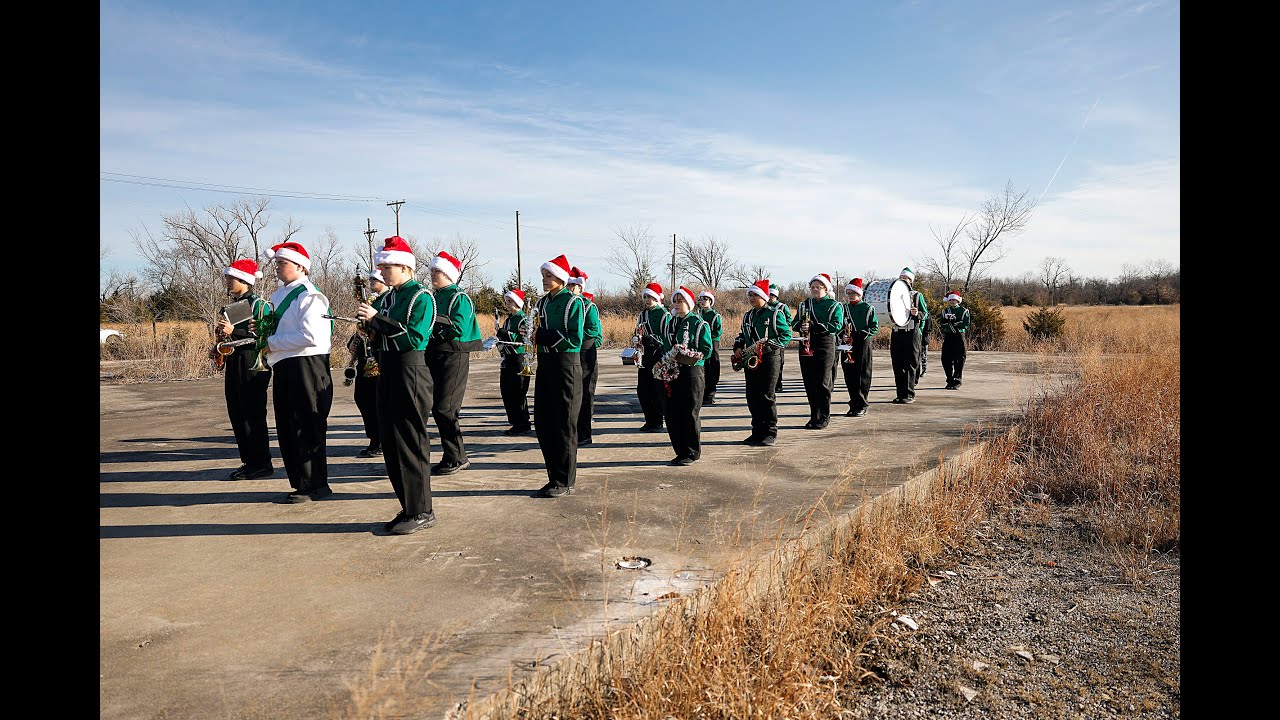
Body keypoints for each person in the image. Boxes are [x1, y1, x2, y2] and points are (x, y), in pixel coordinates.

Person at [356, 236, 437, 534]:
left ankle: (422, 510)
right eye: (380, 266)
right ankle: (407, 507)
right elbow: (383, 334)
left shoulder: (422, 297)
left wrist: (378, 320)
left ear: (404, 267)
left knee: (410, 442)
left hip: (410, 370)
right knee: (390, 441)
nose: (381, 272)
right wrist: (370, 325)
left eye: (387, 266)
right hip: (387, 368)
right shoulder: (388, 297)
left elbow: (415, 337)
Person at [258, 241, 334, 503]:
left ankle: (317, 485)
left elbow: (311, 336)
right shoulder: (279, 294)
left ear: (300, 266)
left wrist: (271, 343)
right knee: (288, 427)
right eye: (277, 263)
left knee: (307, 427)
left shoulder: (309, 295)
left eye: (283, 263)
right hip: (285, 365)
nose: (277, 268)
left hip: (306, 366)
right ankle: (301, 483)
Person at [425, 250, 483, 475]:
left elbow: (458, 326)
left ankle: (458, 457)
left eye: (437, 271)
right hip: (435, 354)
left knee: (446, 408)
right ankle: (451, 455)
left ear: (448, 273)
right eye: (431, 270)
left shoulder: (459, 297)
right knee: (438, 408)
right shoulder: (433, 295)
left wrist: (433, 324)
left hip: (454, 355)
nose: (432, 274)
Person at [532, 254, 586, 497]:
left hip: (566, 365)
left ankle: (565, 480)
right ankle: (553, 476)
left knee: (564, 424)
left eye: (549, 276)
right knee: (544, 423)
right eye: (543, 276)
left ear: (561, 278)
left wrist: (542, 336)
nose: (544, 280)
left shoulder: (574, 302)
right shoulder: (542, 303)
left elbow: (575, 338)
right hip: (545, 364)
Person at [216, 258, 274, 481]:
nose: (227, 281)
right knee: (238, 413)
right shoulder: (237, 305)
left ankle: (261, 463)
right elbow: (238, 336)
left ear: (243, 279)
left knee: (253, 415)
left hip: (253, 363)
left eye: (231, 277)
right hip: (236, 362)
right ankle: (249, 461)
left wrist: (233, 331)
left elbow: (263, 338)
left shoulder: (259, 304)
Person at [733, 280, 792, 446]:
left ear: (764, 296)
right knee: (752, 396)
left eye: (755, 295)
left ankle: (770, 432)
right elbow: (742, 334)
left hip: (769, 358)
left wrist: (766, 346)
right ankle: (757, 431)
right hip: (751, 359)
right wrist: (738, 346)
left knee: (766, 396)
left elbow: (786, 335)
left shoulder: (774, 314)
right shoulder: (747, 315)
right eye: (750, 295)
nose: (752, 298)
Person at [658, 286, 714, 465]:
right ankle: (680, 450)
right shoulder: (671, 323)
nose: (676, 304)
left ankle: (691, 452)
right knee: (672, 413)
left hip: (691, 372)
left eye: (680, 300)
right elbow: (666, 346)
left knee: (689, 412)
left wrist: (689, 355)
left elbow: (706, 350)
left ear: (688, 303)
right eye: (674, 301)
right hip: (672, 372)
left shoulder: (699, 324)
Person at [792, 273, 845, 429]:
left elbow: (837, 325)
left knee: (822, 382)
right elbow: (794, 323)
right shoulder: (804, 304)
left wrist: (815, 327)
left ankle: (823, 416)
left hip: (825, 344)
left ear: (826, 288)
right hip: (806, 343)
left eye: (818, 287)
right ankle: (814, 416)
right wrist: (800, 326)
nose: (814, 289)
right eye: (812, 287)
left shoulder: (835, 305)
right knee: (809, 382)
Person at [349, 269, 388, 458]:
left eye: (375, 278)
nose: (371, 281)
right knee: (363, 399)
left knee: (376, 402)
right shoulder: (370, 301)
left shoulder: (387, 300)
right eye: (370, 278)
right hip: (365, 360)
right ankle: (374, 438)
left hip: (379, 358)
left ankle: (381, 440)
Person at [568, 267, 601, 446]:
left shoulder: (588, 306)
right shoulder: (567, 304)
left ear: (580, 288)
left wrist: (573, 339)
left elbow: (593, 330)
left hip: (585, 354)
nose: (570, 288)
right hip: (570, 355)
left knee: (585, 394)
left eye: (574, 285)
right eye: (568, 284)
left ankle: (584, 434)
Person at [889, 267, 929, 404]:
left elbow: (926, 314)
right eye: (902, 278)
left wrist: (917, 313)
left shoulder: (917, 296)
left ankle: (909, 393)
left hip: (911, 333)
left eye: (906, 279)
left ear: (911, 281)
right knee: (897, 363)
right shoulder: (893, 294)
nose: (904, 280)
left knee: (910, 363)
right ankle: (900, 394)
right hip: (896, 332)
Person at [496, 288, 533, 435]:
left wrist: (505, 334)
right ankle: (514, 421)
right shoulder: (509, 319)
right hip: (508, 357)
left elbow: (524, 339)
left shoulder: (522, 319)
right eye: (506, 301)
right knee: (507, 391)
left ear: (517, 302)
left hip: (519, 358)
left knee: (518, 392)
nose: (507, 304)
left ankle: (522, 423)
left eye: (510, 301)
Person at [634, 282, 670, 432]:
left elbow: (667, 337)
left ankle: (657, 421)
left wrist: (653, 339)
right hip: (645, 355)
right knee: (643, 389)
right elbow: (637, 330)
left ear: (657, 298)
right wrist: (636, 339)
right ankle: (649, 419)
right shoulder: (643, 314)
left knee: (657, 390)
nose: (647, 300)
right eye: (646, 297)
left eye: (650, 297)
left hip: (658, 355)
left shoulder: (664, 314)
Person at [840, 278, 878, 417]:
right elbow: (839, 326)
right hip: (847, 343)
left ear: (859, 293)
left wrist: (858, 334)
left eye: (853, 293)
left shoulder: (868, 308)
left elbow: (874, 327)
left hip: (862, 343)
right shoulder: (844, 308)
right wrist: (842, 335)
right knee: (849, 375)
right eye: (848, 293)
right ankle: (853, 403)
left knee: (862, 375)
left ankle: (862, 404)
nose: (850, 295)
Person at [938, 290, 972, 390]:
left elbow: (966, 324)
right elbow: (941, 324)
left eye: (954, 300)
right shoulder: (945, 311)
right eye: (951, 300)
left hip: (959, 336)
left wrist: (955, 323)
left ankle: (957, 380)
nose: (952, 301)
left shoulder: (964, 311)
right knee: (946, 359)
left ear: (958, 300)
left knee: (959, 359)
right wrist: (946, 322)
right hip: (948, 337)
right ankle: (949, 380)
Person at [696, 290, 723, 405]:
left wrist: (707, 337)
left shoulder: (715, 315)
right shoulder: (698, 314)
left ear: (710, 301)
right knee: (702, 368)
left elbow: (718, 332)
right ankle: (703, 393)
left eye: (705, 299)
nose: (702, 301)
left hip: (712, 342)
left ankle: (710, 393)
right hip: (700, 343)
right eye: (701, 299)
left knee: (712, 366)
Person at [769, 285, 792, 393]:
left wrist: (781, 327)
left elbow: (789, 320)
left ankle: (778, 384)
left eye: (772, 295)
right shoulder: (764, 307)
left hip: (779, 338)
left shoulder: (782, 307)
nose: (770, 297)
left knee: (779, 362)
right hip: (768, 339)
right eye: (769, 294)